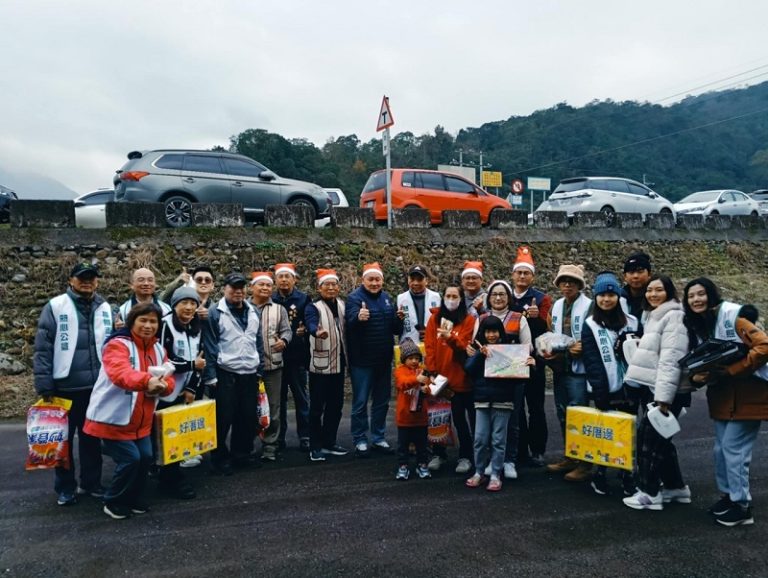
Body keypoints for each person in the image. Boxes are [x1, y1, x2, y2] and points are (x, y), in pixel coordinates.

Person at [683, 277, 768, 526]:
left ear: (711, 295)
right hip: (724, 397)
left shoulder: (733, 317)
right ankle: (729, 496)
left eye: (701, 294)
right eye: (691, 296)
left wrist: (733, 370)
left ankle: (741, 506)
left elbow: (764, 346)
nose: (696, 299)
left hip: (749, 396)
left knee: (733, 449)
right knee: (721, 449)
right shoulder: (700, 326)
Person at [83, 303, 174, 520]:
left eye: (153, 321)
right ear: (132, 322)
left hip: (141, 420)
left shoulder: (158, 349)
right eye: (143, 320)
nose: (148, 325)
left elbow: (169, 377)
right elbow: (120, 373)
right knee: (131, 459)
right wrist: (147, 381)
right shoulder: (117, 345)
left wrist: (165, 386)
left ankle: (132, 498)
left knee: (146, 457)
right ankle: (113, 500)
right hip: (113, 418)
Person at [33, 263, 113, 506]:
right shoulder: (56, 306)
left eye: (91, 278)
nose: (87, 282)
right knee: (62, 441)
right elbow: (43, 348)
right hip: (64, 387)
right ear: (71, 280)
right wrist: (44, 384)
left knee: (92, 439)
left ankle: (91, 483)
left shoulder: (105, 307)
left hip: (96, 388)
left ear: (97, 281)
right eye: (82, 278)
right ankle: (65, 488)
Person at [623, 275, 691, 511]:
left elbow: (671, 358)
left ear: (669, 292)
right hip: (657, 387)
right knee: (661, 443)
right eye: (649, 290)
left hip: (665, 392)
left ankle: (649, 493)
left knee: (648, 443)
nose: (653, 294)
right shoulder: (655, 315)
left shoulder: (674, 316)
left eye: (659, 290)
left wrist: (663, 398)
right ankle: (675, 487)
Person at [580, 271, 639, 497]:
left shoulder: (632, 322)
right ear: (596, 297)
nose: (606, 299)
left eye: (611, 295)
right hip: (605, 388)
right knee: (605, 433)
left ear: (618, 297)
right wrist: (600, 391)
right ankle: (600, 473)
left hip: (630, 385)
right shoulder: (590, 324)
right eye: (602, 295)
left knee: (628, 432)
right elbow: (592, 361)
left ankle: (627, 474)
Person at [203, 272, 265, 475]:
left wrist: (260, 367)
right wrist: (211, 375)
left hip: (249, 372)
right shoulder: (215, 312)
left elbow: (257, 340)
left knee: (247, 417)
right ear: (225, 289)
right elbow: (210, 345)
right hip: (225, 372)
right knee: (223, 418)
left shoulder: (254, 311)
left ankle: (242, 454)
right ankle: (219, 459)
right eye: (233, 288)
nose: (238, 292)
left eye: (241, 288)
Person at [470, 279, 532, 480]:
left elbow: (528, 346)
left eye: (502, 294)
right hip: (487, 379)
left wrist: (516, 356)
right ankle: (491, 460)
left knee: (512, 420)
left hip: (511, 376)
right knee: (489, 425)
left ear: (509, 297)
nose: (498, 298)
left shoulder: (519, 318)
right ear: (489, 297)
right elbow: (475, 345)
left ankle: (509, 460)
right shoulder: (482, 318)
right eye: (494, 294)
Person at [345, 262, 405, 457]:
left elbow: (394, 329)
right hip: (362, 361)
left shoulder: (386, 298)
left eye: (377, 279)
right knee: (360, 401)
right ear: (363, 280)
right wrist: (358, 317)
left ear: (382, 281)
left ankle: (378, 437)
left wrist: (399, 319)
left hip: (383, 360)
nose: (374, 283)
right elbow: (350, 322)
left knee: (382, 401)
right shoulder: (354, 298)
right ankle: (360, 439)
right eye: (370, 279)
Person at [544, 264, 594, 483]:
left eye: (572, 282)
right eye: (563, 282)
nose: (567, 285)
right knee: (563, 412)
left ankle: (585, 463)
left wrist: (584, 346)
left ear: (579, 285)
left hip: (579, 369)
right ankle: (571, 455)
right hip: (560, 366)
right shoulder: (556, 306)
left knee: (579, 413)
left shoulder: (589, 306)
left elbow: (597, 333)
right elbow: (550, 330)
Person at [155, 287, 204, 499]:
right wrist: (191, 365)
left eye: (193, 303)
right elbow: (163, 359)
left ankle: (170, 475)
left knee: (177, 436)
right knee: (165, 435)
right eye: (184, 303)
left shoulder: (196, 326)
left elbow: (201, 360)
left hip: (185, 390)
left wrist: (192, 387)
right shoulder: (165, 325)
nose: (189, 307)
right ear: (174, 305)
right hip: (164, 390)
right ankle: (169, 478)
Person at [424, 284, 476, 473]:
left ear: (461, 299)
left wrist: (451, 337)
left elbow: (465, 345)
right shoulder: (434, 319)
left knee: (460, 419)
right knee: (438, 418)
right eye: (448, 296)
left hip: (460, 377)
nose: (451, 299)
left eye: (455, 296)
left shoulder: (469, 320)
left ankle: (465, 456)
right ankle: (438, 453)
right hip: (439, 376)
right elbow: (429, 346)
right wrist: (431, 371)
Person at [508, 246, 552, 468]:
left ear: (532, 276)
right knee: (515, 408)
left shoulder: (541, 299)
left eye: (526, 273)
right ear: (513, 275)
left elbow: (547, 329)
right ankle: (520, 449)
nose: (522, 276)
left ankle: (538, 450)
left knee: (536, 407)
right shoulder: (505, 296)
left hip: (534, 360)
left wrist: (538, 318)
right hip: (511, 359)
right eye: (519, 272)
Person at [305, 269, 349, 462]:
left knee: (335, 406)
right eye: (327, 285)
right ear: (319, 288)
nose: (331, 288)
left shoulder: (342, 305)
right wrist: (316, 331)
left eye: (334, 284)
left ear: (338, 287)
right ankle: (315, 446)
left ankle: (329, 441)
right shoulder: (313, 307)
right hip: (320, 366)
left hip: (339, 364)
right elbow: (310, 322)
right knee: (316, 408)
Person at [249, 271, 291, 462]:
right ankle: (247, 445)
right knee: (248, 407)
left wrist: (284, 340)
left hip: (273, 365)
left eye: (268, 285)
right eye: (261, 285)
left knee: (274, 408)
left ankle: (270, 445)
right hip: (249, 367)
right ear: (252, 287)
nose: (265, 288)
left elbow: (287, 331)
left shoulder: (279, 309)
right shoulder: (244, 307)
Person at [272, 263, 312, 453]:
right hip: (275, 358)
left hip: (297, 357)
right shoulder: (271, 299)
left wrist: (305, 331)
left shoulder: (303, 299)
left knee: (301, 398)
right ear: (275, 280)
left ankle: (305, 435)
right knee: (278, 401)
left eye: (287, 276)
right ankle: (279, 437)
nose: (284, 280)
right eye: (280, 277)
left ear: (294, 279)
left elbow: (311, 321)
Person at [393, 337, 432, 481]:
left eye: (417, 358)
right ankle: (403, 466)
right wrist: (416, 380)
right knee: (402, 445)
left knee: (422, 445)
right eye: (411, 358)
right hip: (405, 417)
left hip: (420, 417)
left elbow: (430, 388)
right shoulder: (400, 371)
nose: (414, 361)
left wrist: (427, 389)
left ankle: (422, 465)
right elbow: (402, 383)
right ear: (404, 359)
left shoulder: (423, 371)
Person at [397, 265, 441, 343]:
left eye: (419, 279)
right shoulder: (400, 299)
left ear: (426, 280)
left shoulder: (436, 298)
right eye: (412, 279)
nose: (416, 283)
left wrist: (431, 332)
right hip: (408, 346)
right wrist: (398, 319)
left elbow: (444, 324)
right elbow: (395, 329)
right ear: (408, 280)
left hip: (432, 344)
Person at [621, 252, 652, 325]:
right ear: (625, 276)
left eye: (640, 272)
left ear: (649, 274)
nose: (635, 276)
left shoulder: (655, 298)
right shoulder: (618, 299)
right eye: (631, 272)